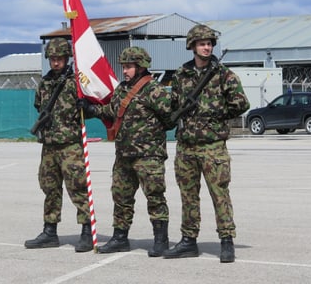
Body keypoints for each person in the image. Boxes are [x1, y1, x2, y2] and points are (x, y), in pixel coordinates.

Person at [162, 24, 250, 263]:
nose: (207, 47)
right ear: (192, 46)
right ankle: (188, 240)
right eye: (202, 43)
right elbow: (173, 104)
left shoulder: (223, 74)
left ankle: (226, 240)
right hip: (187, 145)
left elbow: (241, 103)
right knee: (188, 195)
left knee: (219, 194)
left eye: (210, 43)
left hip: (213, 145)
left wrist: (215, 111)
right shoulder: (181, 75)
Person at [78, 47, 172, 257]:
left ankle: (161, 239)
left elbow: (170, 117)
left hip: (148, 156)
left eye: (129, 67)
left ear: (140, 67)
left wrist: (151, 137)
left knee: (155, 196)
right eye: (124, 67)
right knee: (120, 196)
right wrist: (91, 109)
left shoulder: (154, 90)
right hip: (123, 155)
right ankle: (120, 237)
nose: (125, 71)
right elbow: (111, 111)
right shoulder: (122, 89)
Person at [24, 37, 93, 253]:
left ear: (67, 58)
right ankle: (49, 231)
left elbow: (92, 105)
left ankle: (86, 232)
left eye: (60, 59)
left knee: (78, 188)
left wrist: (87, 106)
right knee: (50, 188)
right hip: (50, 146)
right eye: (52, 59)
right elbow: (39, 106)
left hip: (70, 145)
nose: (56, 63)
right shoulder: (44, 84)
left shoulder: (76, 82)